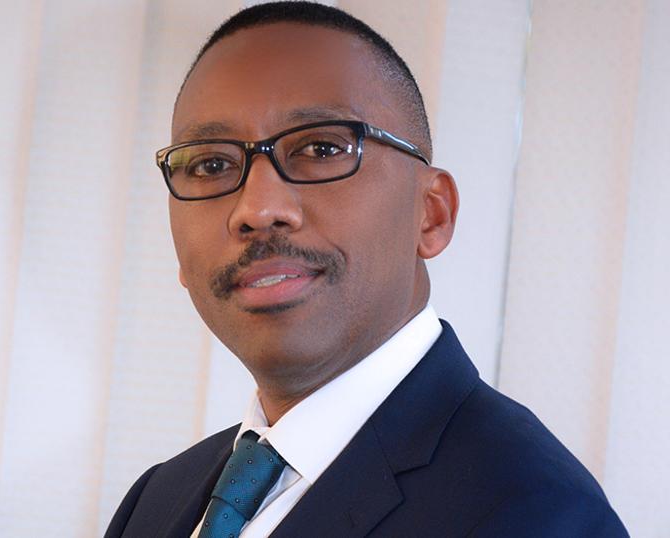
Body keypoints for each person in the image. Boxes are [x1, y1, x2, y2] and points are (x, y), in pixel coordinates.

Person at [105, 3, 628, 537]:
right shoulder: (156, 501)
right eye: (211, 165)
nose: (257, 209)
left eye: (321, 148)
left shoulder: (538, 513)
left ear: (431, 214)